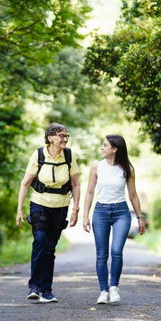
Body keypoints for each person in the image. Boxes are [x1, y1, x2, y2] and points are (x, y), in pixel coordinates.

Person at [16, 122, 80, 303]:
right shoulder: (38, 154)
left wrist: (76, 209)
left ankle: (47, 290)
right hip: (39, 203)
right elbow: (25, 183)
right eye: (61, 135)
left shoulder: (69, 156)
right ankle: (34, 286)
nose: (65, 139)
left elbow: (75, 183)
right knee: (40, 241)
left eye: (66, 136)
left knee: (50, 248)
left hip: (60, 206)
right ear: (50, 138)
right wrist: (19, 209)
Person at [82, 135, 145, 305]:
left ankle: (114, 287)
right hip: (101, 212)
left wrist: (139, 217)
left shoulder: (128, 169)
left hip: (121, 213)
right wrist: (85, 215)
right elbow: (89, 192)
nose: (102, 148)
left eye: (105, 146)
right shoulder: (96, 166)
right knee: (101, 254)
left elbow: (133, 195)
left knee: (116, 251)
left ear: (115, 149)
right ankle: (103, 291)